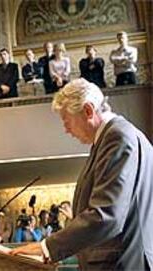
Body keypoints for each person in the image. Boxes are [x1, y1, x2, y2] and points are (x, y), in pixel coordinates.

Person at [9, 78, 153, 270]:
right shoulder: (114, 137)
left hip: (122, 262)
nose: (66, 129)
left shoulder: (117, 137)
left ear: (88, 111)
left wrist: (47, 247)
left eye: (66, 120)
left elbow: (107, 214)